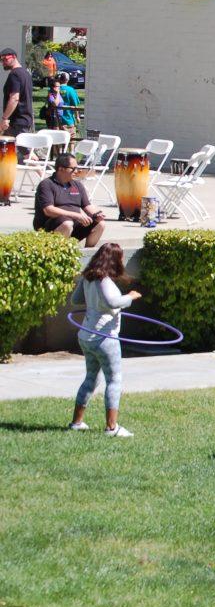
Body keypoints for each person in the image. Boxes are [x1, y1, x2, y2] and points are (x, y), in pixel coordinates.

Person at [67, 243, 139, 437]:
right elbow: (113, 303)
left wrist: (93, 302)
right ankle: (111, 428)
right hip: (104, 338)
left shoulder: (88, 277)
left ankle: (76, 422)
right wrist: (130, 296)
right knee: (114, 380)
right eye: (120, 258)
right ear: (114, 260)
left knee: (91, 378)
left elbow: (75, 300)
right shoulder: (104, 280)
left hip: (86, 336)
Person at [33, 154, 106, 246]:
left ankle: (89, 255)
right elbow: (49, 210)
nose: (77, 171)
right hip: (51, 227)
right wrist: (76, 215)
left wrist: (97, 214)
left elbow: (87, 205)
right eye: (73, 168)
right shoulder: (47, 184)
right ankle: (60, 253)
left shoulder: (77, 185)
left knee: (100, 224)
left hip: (74, 225)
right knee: (67, 223)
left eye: (77, 168)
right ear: (61, 169)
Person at [1, 47, 34, 138]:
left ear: (14, 57)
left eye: (5, 59)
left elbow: (14, 98)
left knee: (22, 151)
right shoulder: (25, 74)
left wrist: (5, 118)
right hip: (24, 120)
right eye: (1, 60)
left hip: (17, 122)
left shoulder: (14, 74)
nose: (3, 62)